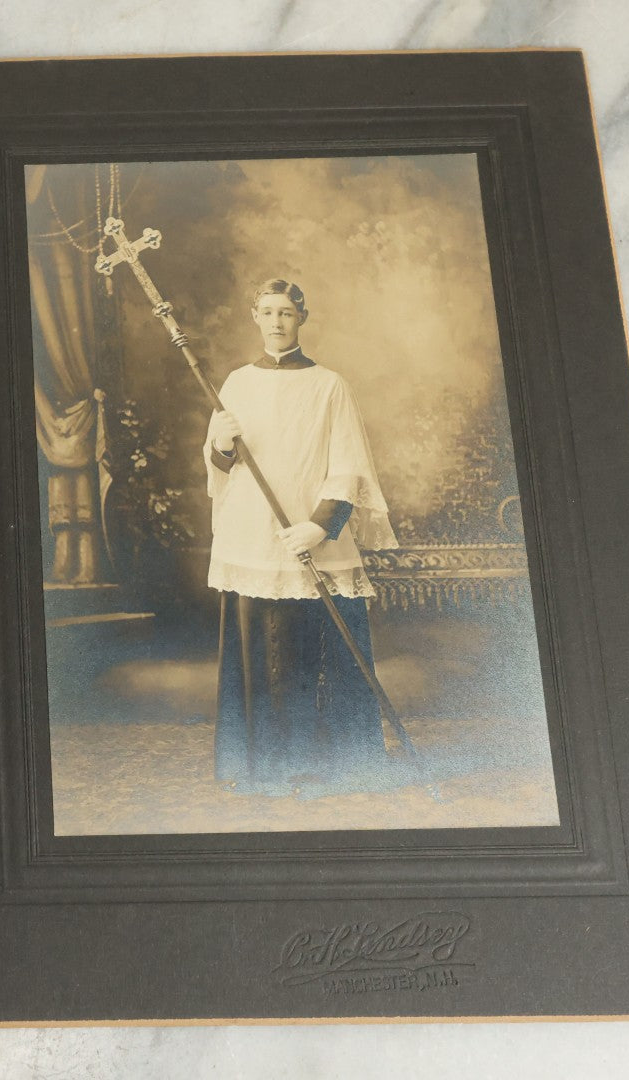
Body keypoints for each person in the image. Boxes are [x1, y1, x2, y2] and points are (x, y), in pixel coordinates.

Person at [175, 279, 398, 794]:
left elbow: (349, 465)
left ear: (302, 318)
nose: (277, 322)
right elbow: (219, 468)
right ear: (254, 316)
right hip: (255, 538)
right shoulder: (234, 383)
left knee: (317, 651)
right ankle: (262, 764)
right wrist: (223, 445)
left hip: (311, 538)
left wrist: (319, 526)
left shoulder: (330, 385)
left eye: (287, 313)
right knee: (261, 650)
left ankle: (331, 764)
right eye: (268, 312)